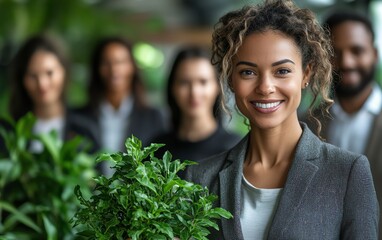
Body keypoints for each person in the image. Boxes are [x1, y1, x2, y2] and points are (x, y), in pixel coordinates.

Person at [183, 0, 379, 239]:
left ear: (306, 74)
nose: (265, 87)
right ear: (231, 79)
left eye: (282, 71)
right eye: (248, 72)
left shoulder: (347, 172)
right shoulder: (201, 179)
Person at [303, 10, 382, 236]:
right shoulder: (305, 124)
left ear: (374, 54)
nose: (346, 62)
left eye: (357, 51)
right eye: (335, 53)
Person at [76, 37, 166, 174]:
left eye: (120, 62)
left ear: (132, 67)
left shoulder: (153, 118)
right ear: (97, 69)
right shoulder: (80, 119)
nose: (114, 69)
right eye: (106, 63)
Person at [5, 35, 99, 154]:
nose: (42, 84)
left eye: (49, 73)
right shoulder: (8, 132)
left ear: (64, 71)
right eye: (33, 76)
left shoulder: (85, 129)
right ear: (22, 80)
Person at [152, 46, 241, 170]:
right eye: (184, 82)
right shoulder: (155, 151)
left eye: (203, 82)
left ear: (217, 87)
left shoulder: (236, 149)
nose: (194, 92)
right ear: (172, 88)